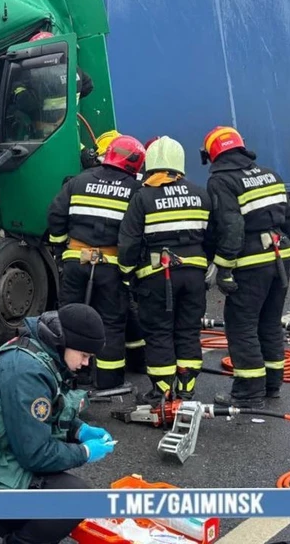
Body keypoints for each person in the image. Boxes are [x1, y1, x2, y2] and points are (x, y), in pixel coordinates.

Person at [0, 303, 114, 544]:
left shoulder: (39, 351)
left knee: (60, 485)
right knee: (77, 498)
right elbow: (36, 455)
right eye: (85, 355)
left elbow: (47, 411)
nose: (86, 363)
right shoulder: (28, 373)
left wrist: (79, 430)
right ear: (66, 342)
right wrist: (85, 451)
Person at [202, 126, 290, 408]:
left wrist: (225, 267)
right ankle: (271, 385)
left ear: (213, 153)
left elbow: (231, 227)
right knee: (269, 322)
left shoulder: (222, 181)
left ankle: (247, 392)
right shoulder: (270, 174)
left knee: (242, 326)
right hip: (281, 257)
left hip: (250, 263)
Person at [47, 135, 146, 390]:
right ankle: (109, 382)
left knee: (69, 319)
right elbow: (135, 234)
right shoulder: (136, 191)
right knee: (111, 322)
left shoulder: (79, 181)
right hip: (111, 267)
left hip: (75, 262)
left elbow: (56, 214)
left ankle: (66, 378)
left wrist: (60, 247)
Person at [118, 136, 212, 403]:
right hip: (194, 276)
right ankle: (187, 386)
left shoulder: (143, 196)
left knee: (159, 331)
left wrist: (126, 273)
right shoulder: (200, 194)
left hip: (157, 277)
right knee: (188, 329)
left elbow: (129, 241)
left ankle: (161, 390)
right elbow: (212, 236)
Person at [11, 31, 94, 141]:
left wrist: (16, 88)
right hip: (68, 127)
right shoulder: (74, 68)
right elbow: (88, 86)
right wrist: (68, 104)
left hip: (44, 134)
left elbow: (26, 103)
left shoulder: (35, 73)